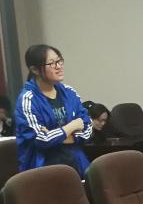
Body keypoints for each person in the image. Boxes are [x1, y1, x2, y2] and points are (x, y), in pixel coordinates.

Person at [15, 44, 92, 176]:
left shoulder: (69, 92)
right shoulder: (28, 99)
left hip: (76, 162)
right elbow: (41, 139)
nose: (58, 66)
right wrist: (72, 126)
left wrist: (54, 135)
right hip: (44, 168)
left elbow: (88, 127)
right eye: (51, 63)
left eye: (59, 61)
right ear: (35, 70)